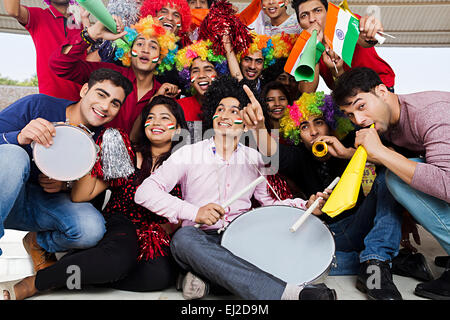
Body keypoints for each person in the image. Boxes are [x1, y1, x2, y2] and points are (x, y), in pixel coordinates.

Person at [134, 75, 337, 300]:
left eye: (233, 111)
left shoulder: (254, 157)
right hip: (199, 239)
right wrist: (195, 212)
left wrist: (305, 205)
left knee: (273, 245)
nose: (224, 115)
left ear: (246, 119)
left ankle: (205, 277)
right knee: (183, 239)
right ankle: (289, 294)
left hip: (241, 239)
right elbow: (144, 192)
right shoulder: (187, 153)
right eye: (220, 109)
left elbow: (271, 206)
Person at [0, 95, 188, 300]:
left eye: (164, 118)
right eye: (151, 117)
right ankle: (35, 284)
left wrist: (173, 226)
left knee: (156, 277)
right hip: (121, 224)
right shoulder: (126, 155)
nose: (156, 123)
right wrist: (94, 151)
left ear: (178, 129)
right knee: (118, 259)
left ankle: (81, 268)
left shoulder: (187, 162)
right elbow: (81, 196)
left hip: (156, 235)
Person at [0, 68, 133, 285]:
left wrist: (66, 185)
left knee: (91, 228)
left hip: (39, 205)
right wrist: (20, 137)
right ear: (84, 90)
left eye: (115, 103)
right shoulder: (37, 106)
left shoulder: (106, 140)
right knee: (13, 156)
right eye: (101, 94)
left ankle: (38, 242)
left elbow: (86, 195)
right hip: (5, 195)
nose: (105, 107)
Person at [332, 67, 450, 300]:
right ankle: (376, 260)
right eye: (350, 114)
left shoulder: (431, 113)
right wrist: (350, 153)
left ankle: (375, 262)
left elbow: (447, 184)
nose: (359, 120)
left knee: (395, 176)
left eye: (361, 106)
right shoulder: (387, 121)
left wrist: (383, 154)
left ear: (382, 91)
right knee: (391, 176)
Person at [49, 15, 180, 136]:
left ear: (161, 58)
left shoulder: (163, 93)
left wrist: (156, 101)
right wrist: (91, 34)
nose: (145, 50)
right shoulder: (107, 74)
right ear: (129, 52)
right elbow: (60, 65)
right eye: (139, 44)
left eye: (152, 47)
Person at [291, 0, 395, 93]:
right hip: (347, 95)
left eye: (317, 11)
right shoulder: (303, 46)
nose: (312, 19)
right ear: (300, 24)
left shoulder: (343, 21)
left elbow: (364, 39)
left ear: (327, 13)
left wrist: (370, 33)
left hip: (377, 86)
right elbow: (307, 91)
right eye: (304, 15)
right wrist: (313, 49)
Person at [3, 0, 84, 101]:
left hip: (82, 99)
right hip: (50, 99)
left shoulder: (81, 22)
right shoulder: (38, 16)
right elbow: (13, 11)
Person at [174, 39, 228, 142]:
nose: (202, 75)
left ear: (218, 74)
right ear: (188, 77)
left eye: (208, 70)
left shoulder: (227, 107)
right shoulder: (178, 106)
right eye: (195, 71)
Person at [225, 32, 298, 93]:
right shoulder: (227, 85)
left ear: (265, 64)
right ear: (239, 60)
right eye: (247, 59)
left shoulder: (269, 86)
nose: (252, 66)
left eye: (258, 61)